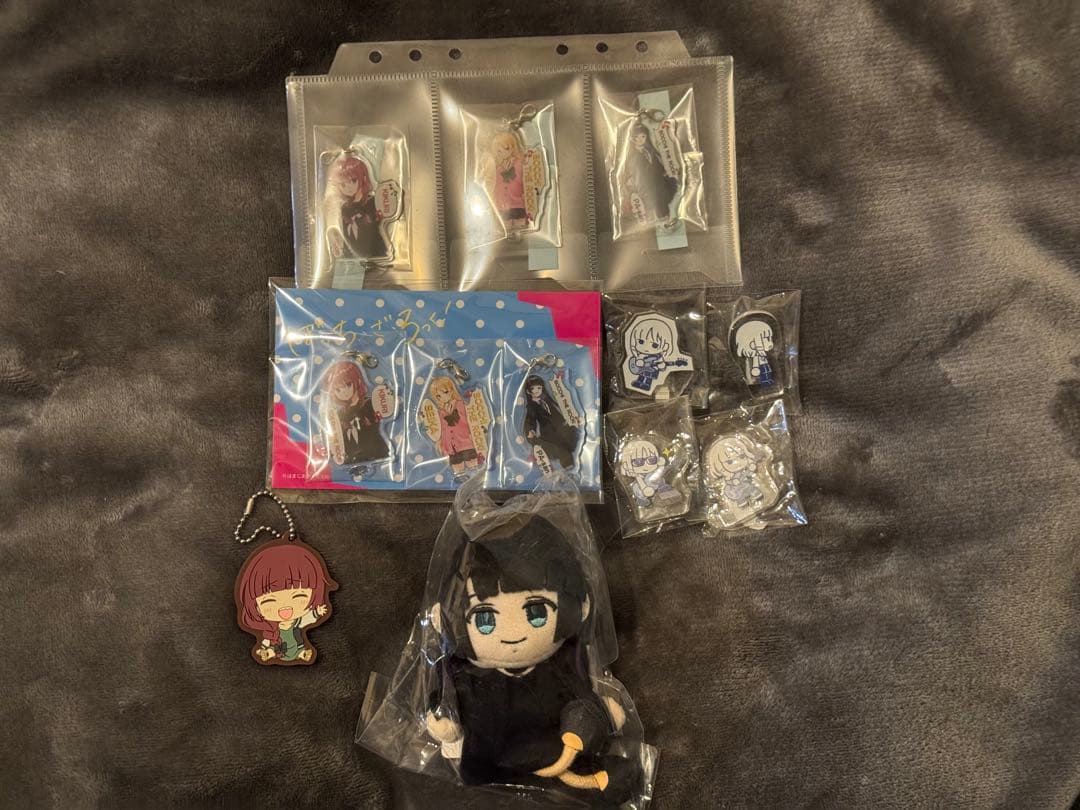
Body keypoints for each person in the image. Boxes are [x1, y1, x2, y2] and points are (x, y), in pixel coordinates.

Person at [424, 517, 641, 805]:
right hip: (487, 764)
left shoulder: (565, 661)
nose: (512, 636)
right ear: (442, 619)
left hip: (560, 756)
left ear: (581, 607)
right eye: (485, 619)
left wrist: (594, 718)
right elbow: (446, 698)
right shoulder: (462, 670)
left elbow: (581, 702)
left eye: (537, 613)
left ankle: (595, 783)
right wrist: (447, 723)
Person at [235, 542, 334, 665]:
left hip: (297, 648)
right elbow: (266, 640)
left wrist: (317, 612)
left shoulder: (297, 623)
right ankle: (268, 654)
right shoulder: (271, 629)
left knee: (300, 650)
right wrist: (263, 648)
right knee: (274, 650)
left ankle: (302, 654)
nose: (285, 608)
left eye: (299, 596)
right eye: (269, 601)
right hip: (279, 650)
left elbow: (308, 619)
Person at [322, 360, 390, 466]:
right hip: (351, 460)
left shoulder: (370, 404)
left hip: (377, 454)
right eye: (338, 390)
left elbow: (380, 424)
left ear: (357, 380)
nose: (344, 392)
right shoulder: (340, 414)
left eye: (348, 385)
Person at [325, 154, 389, 261]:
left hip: (376, 253)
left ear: (362, 177)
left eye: (353, 180)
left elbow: (382, 223)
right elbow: (346, 236)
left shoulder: (372, 201)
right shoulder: (344, 208)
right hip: (355, 256)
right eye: (343, 185)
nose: (349, 187)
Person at [522, 374, 579, 469]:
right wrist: (531, 430)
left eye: (539, 388)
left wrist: (569, 419)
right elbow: (530, 419)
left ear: (542, 388)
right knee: (559, 447)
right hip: (548, 431)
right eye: (533, 388)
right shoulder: (531, 407)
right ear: (528, 391)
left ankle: (569, 464)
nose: (536, 390)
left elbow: (557, 411)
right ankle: (567, 465)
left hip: (560, 426)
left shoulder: (546, 400)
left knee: (566, 442)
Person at [625, 121, 678, 222]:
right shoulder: (632, 156)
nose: (640, 139)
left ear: (646, 137)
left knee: (665, 194)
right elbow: (633, 173)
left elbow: (657, 164)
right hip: (645, 185)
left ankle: (666, 218)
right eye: (636, 137)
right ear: (632, 138)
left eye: (643, 136)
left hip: (658, 181)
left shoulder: (650, 150)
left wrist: (664, 172)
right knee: (654, 202)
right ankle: (661, 218)